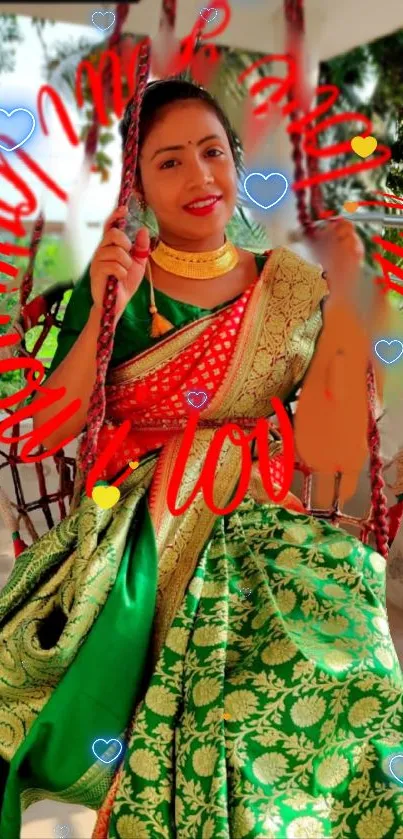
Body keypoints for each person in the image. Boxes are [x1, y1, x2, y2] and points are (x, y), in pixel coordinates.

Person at [0, 79, 402, 839]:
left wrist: (347, 293)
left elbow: (327, 445)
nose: (200, 177)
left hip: (269, 522)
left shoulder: (291, 284)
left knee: (362, 670)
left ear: (236, 162)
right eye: (169, 162)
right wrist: (100, 300)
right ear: (139, 183)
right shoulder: (117, 281)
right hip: (142, 527)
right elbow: (47, 432)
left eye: (212, 152)